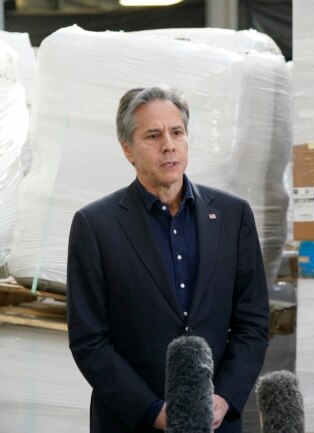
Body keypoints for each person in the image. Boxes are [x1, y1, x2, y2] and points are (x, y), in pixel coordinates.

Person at [67, 86, 270, 433]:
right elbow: (89, 340)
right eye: (152, 135)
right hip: (131, 422)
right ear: (127, 148)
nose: (169, 145)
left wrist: (224, 398)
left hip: (216, 422)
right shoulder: (95, 226)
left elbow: (253, 323)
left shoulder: (233, 216)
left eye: (177, 132)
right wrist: (152, 410)